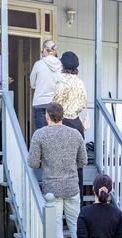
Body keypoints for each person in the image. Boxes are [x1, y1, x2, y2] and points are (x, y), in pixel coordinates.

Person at [28, 102, 87, 238]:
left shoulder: (40, 134)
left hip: (52, 187)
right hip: (71, 187)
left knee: (56, 227)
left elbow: (32, 162)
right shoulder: (75, 134)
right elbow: (83, 161)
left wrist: (44, 163)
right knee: (77, 225)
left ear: (47, 117)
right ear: (62, 115)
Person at [53, 51, 87, 200]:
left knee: (61, 160)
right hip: (77, 123)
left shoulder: (61, 80)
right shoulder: (79, 82)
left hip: (63, 122)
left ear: (62, 64)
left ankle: (61, 195)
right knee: (77, 161)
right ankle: (76, 195)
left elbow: (56, 103)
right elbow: (84, 102)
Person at [29, 40, 62, 132]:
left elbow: (32, 84)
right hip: (54, 103)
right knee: (54, 133)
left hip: (39, 102)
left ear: (44, 49)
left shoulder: (38, 64)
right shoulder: (61, 66)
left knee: (41, 133)